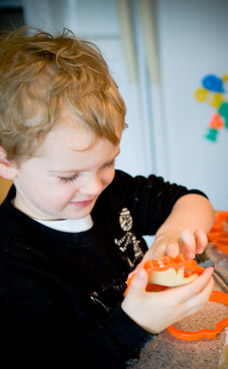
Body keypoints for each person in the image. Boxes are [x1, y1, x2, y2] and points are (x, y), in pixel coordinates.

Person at [0, 26, 214, 368]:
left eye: (107, 163)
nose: (94, 187)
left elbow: (192, 200)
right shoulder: (13, 267)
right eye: (68, 175)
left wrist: (172, 233)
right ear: (6, 161)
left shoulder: (114, 192)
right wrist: (135, 325)